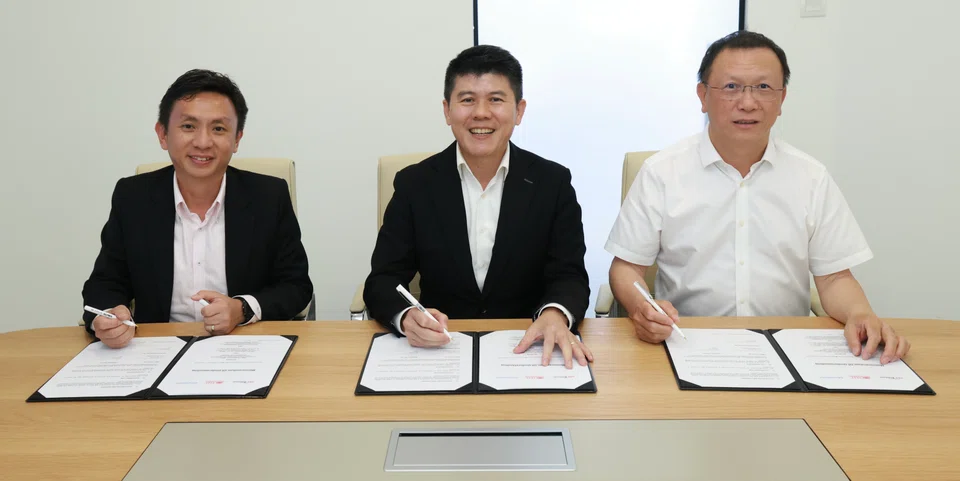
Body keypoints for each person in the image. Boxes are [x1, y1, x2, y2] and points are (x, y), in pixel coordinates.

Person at [605, 31, 910, 364]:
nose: (747, 103)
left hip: (787, 350)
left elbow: (835, 277)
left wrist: (860, 313)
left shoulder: (811, 177)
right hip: (685, 343)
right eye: (732, 87)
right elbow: (626, 268)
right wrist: (642, 310)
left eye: (763, 88)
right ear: (703, 96)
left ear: (781, 100)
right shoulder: (661, 172)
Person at [363, 45, 593, 369]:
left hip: (527, 351)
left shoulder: (552, 183)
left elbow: (569, 275)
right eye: (467, 99)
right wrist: (407, 317)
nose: (481, 113)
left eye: (496, 99)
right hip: (441, 352)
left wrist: (555, 314)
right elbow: (384, 281)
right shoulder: (415, 185)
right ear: (447, 110)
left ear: (519, 110)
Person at [82, 69, 313, 348]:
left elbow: (296, 286)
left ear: (237, 138)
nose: (203, 142)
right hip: (155, 349)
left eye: (218, 128)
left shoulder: (268, 197)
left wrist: (241, 309)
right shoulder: (133, 198)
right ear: (163, 134)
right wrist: (110, 314)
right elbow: (105, 282)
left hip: (242, 346)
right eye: (189, 126)